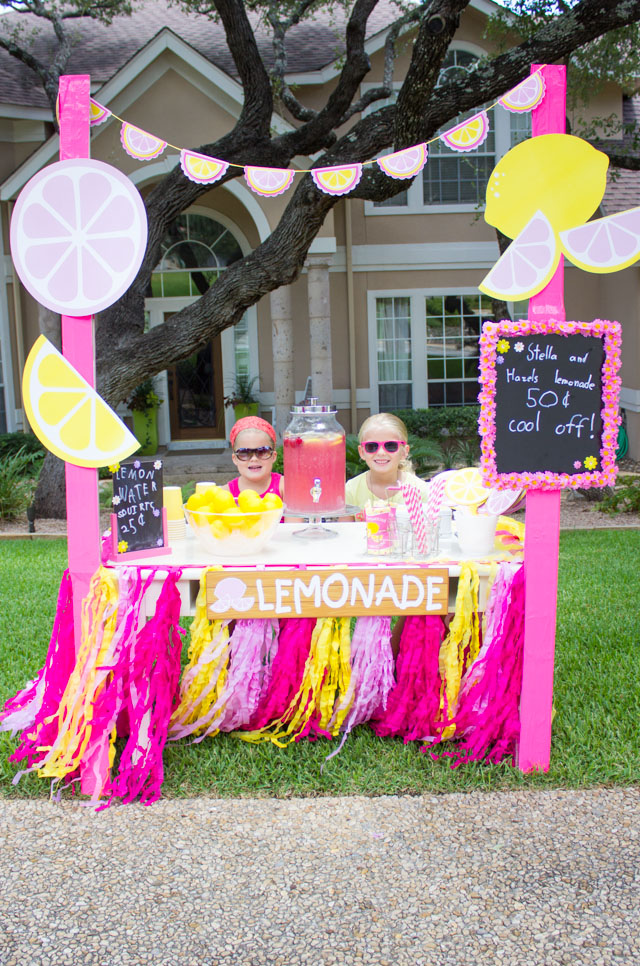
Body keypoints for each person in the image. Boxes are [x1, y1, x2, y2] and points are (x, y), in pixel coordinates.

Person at [345, 412, 430, 510]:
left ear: (404, 452)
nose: (381, 453)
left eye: (390, 446)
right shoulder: (351, 489)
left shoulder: (419, 490)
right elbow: (344, 525)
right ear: (362, 452)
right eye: (372, 446)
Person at [224, 416, 284, 499]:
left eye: (262, 451)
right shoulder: (225, 493)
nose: (254, 459)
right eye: (244, 452)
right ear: (235, 458)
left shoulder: (284, 487)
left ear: (273, 456)